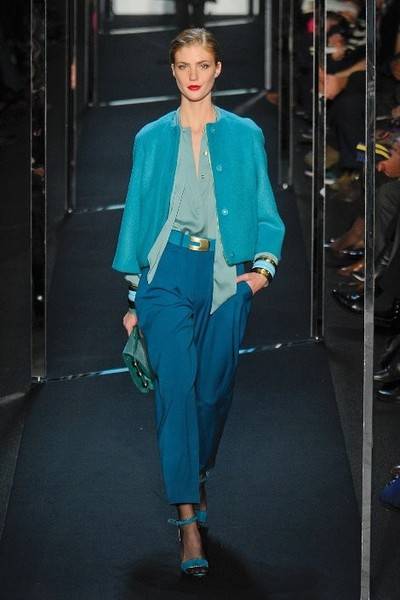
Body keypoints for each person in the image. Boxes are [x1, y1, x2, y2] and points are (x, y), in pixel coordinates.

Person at [112, 28, 285, 577]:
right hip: (165, 275)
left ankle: (196, 472)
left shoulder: (244, 134)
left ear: (217, 69)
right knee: (176, 392)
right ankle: (187, 518)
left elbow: (264, 208)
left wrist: (261, 274)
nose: (193, 75)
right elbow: (138, 213)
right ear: (172, 71)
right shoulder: (150, 138)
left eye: (202, 65)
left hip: (225, 275)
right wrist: (135, 298)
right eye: (183, 65)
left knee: (212, 393)